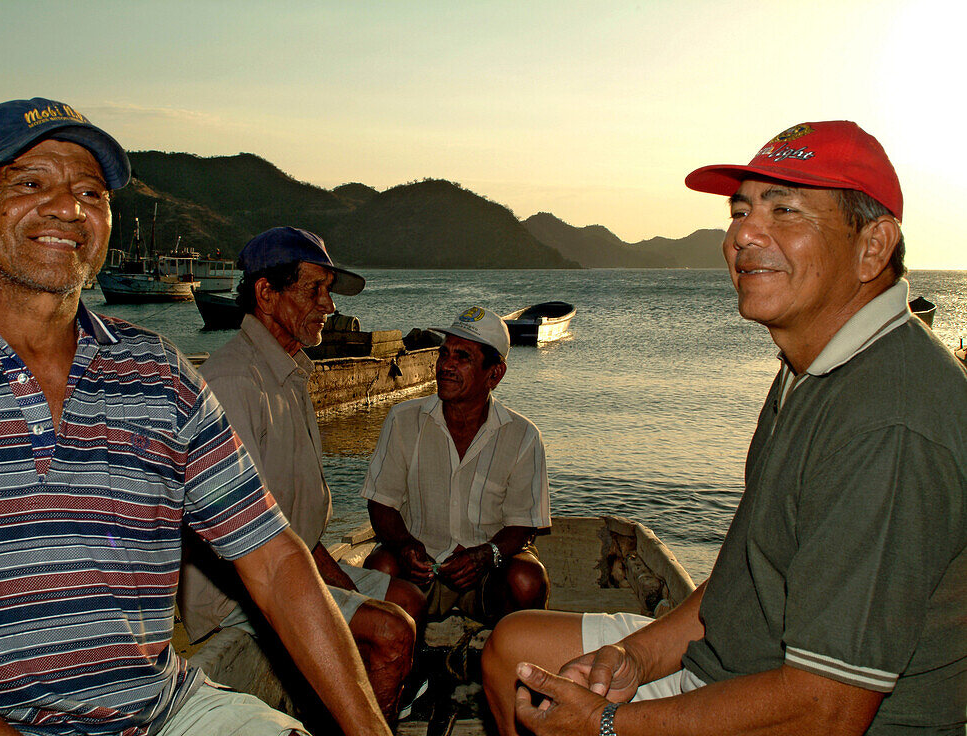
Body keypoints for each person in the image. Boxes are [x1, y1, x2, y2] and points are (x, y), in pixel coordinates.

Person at [0, 97, 392, 736]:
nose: (68, 208)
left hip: (163, 713)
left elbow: (277, 562)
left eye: (91, 192)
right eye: (31, 183)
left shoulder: (160, 372)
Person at [482, 121, 967, 736]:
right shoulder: (813, 366)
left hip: (803, 707)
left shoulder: (889, 424)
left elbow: (827, 709)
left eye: (784, 210)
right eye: (740, 211)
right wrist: (635, 658)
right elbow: (746, 576)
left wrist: (606, 726)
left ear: (873, 247)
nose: (742, 235)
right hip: (738, 663)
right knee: (511, 650)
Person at [178, 226, 426, 723]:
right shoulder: (233, 382)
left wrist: (346, 592)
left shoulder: (291, 373)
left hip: (291, 562)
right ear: (266, 294)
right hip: (237, 592)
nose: (329, 306)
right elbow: (246, 544)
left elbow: (290, 524)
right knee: (391, 630)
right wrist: (336, 606)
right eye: (315, 289)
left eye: (328, 290)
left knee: (406, 597)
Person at [361, 307, 551, 625]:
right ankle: (402, 666)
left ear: (495, 374)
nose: (445, 366)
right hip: (419, 568)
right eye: (444, 354)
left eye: (462, 357)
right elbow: (381, 502)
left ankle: (510, 659)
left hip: (490, 571)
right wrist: (405, 545)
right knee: (380, 569)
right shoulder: (403, 419)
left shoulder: (523, 436)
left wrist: (487, 554)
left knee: (527, 579)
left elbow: (524, 523)